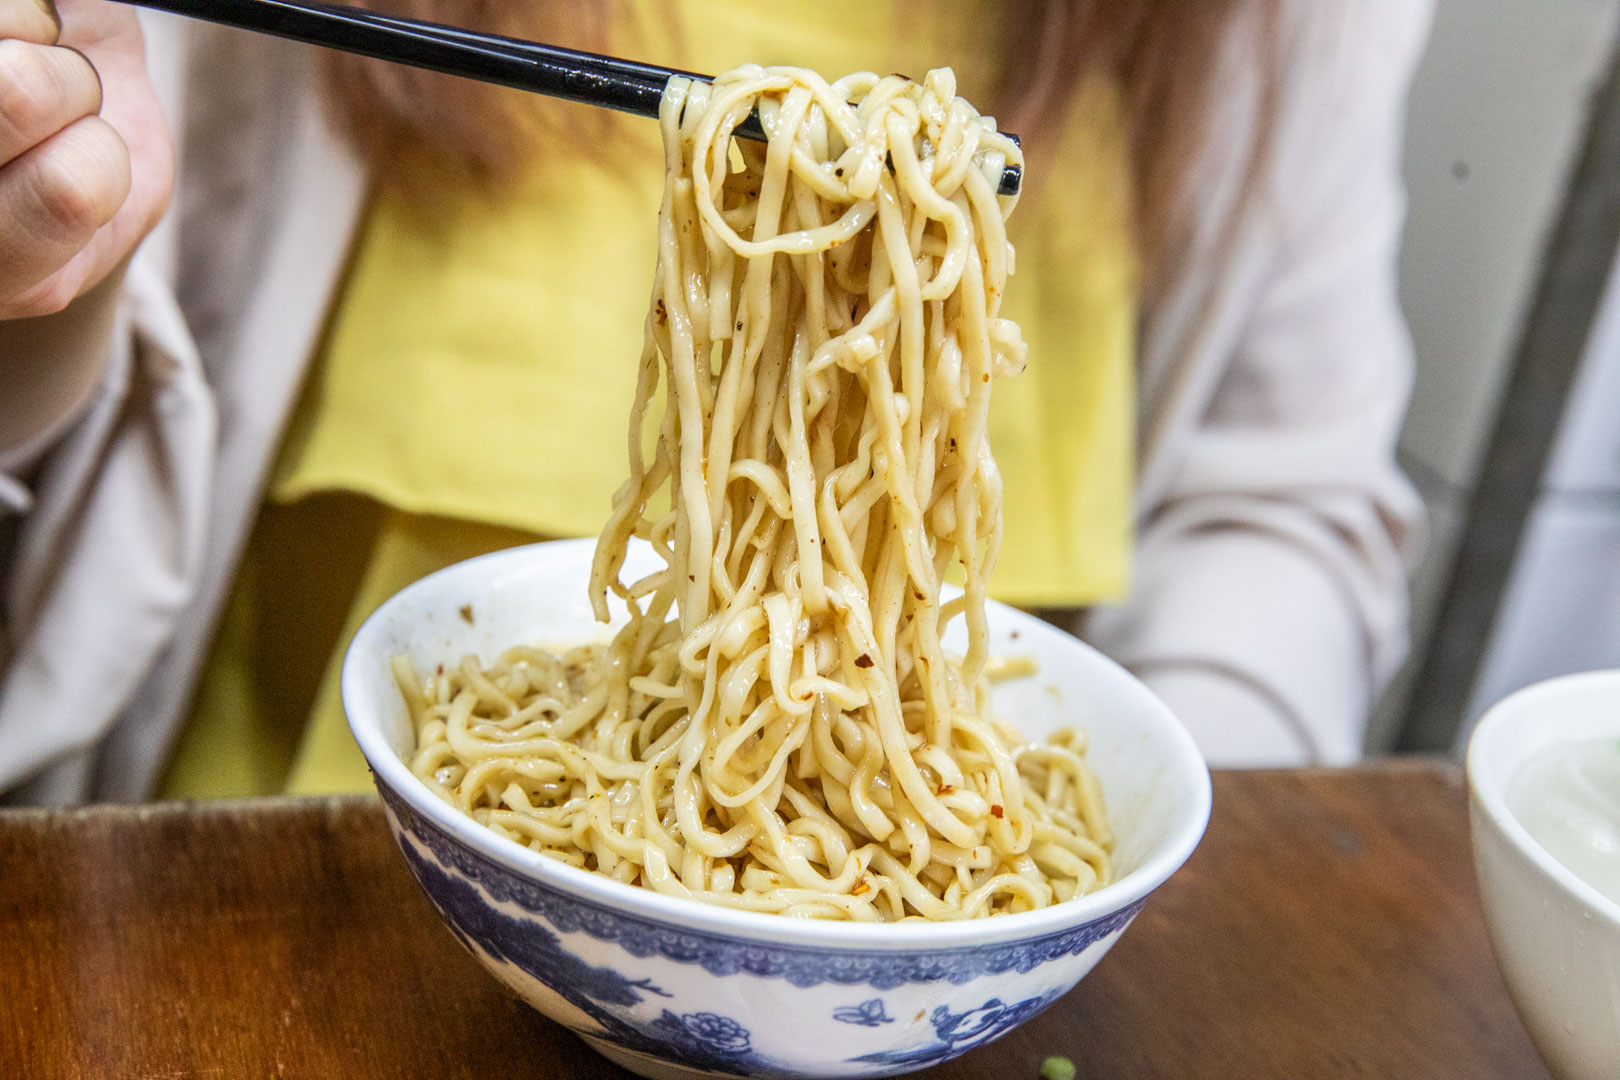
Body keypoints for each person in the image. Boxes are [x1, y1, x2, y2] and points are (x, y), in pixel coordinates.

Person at [0, 0, 1429, 804]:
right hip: (264, 856)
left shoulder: (1294, 26)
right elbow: (72, 387)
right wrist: (46, 242)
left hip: (921, 918)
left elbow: (1282, 504)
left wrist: (1139, 844)